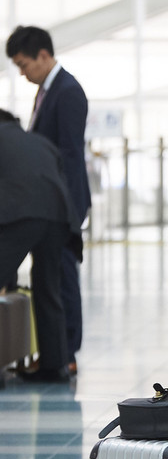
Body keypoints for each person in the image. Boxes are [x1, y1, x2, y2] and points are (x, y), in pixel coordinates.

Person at [5, 25, 90, 376]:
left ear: (43, 55)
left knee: (61, 277)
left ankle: (67, 353)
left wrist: (65, 209)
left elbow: (69, 155)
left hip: (60, 200)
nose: (23, 74)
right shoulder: (47, 90)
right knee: (50, 276)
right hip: (49, 200)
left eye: (24, 65)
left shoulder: (67, 91)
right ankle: (56, 355)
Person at [0, 110, 82, 383]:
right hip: (58, 217)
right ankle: (55, 366)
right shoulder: (40, 142)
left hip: (20, 212)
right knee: (49, 289)